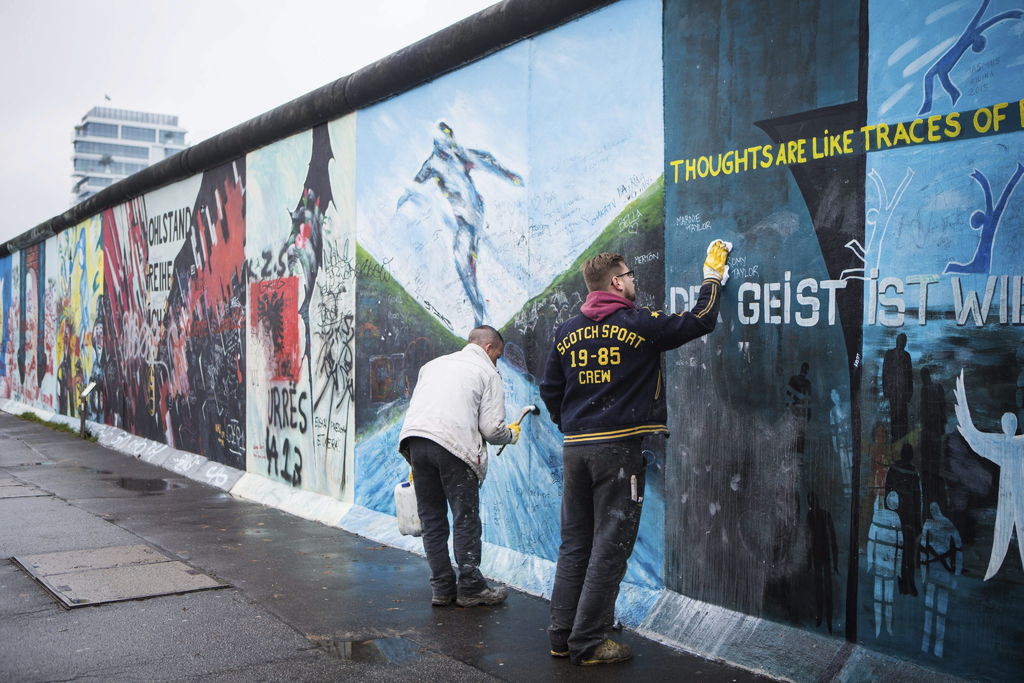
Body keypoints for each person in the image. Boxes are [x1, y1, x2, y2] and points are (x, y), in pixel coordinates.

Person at [539, 241, 731, 666]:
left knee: (575, 545)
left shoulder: (566, 331)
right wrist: (712, 277)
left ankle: (562, 636)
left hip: (576, 449)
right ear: (615, 282)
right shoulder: (639, 323)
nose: (633, 281)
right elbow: (700, 319)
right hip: (618, 451)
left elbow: (550, 389)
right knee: (611, 545)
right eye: (629, 275)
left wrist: (573, 424)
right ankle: (589, 642)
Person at [398, 325, 520, 607]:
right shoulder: (487, 372)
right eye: (498, 355)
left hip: (415, 442)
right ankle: (471, 588)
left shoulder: (432, 366)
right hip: (453, 446)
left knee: (432, 519)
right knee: (465, 518)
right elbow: (491, 430)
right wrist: (511, 435)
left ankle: (442, 588)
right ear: (488, 348)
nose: (497, 361)